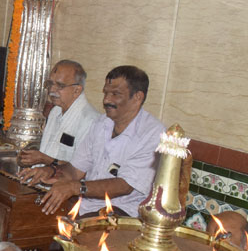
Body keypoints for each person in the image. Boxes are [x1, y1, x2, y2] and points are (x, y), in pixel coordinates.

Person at [20, 65, 165, 217]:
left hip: (122, 214)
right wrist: (51, 171)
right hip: (85, 207)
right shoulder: (102, 123)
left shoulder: (153, 133)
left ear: (137, 97)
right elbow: (75, 170)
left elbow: (124, 186)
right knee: (28, 215)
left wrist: (75, 187)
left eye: (115, 94)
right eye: (106, 93)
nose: (106, 100)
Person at [19, 60, 101, 167]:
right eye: (50, 84)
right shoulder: (55, 111)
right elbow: (46, 150)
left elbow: (83, 170)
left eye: (60, 85)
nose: (52, 90)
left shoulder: (91, 121)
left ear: (77, 90)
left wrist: (45, 160)